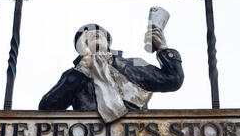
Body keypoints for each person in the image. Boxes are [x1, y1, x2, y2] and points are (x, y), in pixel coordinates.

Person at [38, 23, 184, 123]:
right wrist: (82, 69)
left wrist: (163, 49)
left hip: (138, 130)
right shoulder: (73, 75)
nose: (93, 32)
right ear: (81, 46)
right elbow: (47, 108)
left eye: (98, 33)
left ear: (108, 43)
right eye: (86, 35)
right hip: (91, 135)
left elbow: (172, 80)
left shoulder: (133, 63)